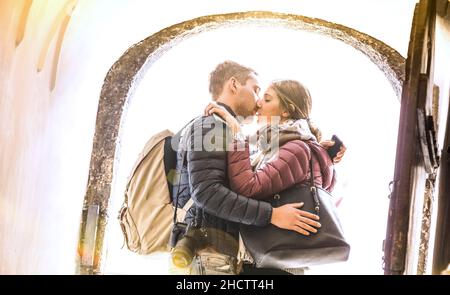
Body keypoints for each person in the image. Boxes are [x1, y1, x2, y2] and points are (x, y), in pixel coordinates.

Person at [171, 61, 344, 275]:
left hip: (242, 257)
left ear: (287, 110)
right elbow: (207, 193)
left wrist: (320, 153)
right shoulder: (212, 125)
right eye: (256, 90)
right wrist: (272, 214)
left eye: (265, 97)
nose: (259, 102)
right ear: (233, 85)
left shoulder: (265, 143)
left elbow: (257, 180)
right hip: (215, 253)